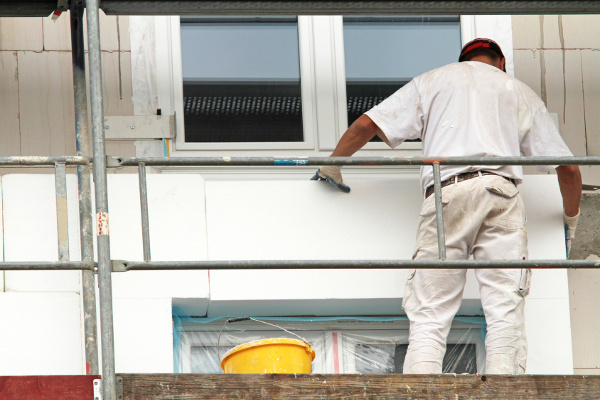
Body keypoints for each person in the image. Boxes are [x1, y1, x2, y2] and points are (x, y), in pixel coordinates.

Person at [312, 38, 582, 374]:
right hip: (500, 193)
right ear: (501, 64)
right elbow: (569, 170)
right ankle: (502, 388)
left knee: (431, 307)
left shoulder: (433, 80)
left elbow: (367, 125)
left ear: (462, 60)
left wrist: (332, 164)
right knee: (504, 303)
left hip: (446, 192)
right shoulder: (516, 89)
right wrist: (571, 221)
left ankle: (422, 385)